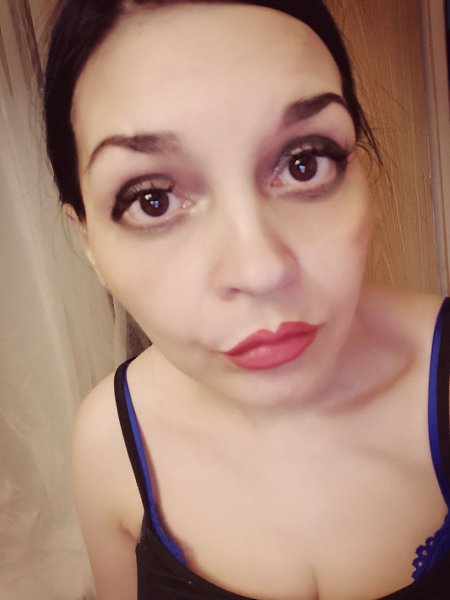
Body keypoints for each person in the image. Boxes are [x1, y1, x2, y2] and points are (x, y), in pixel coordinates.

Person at [43, 1, 450, 599]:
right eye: (153, 199)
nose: (260, 270)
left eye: (304, 163)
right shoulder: (108, 443)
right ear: (89, 244)